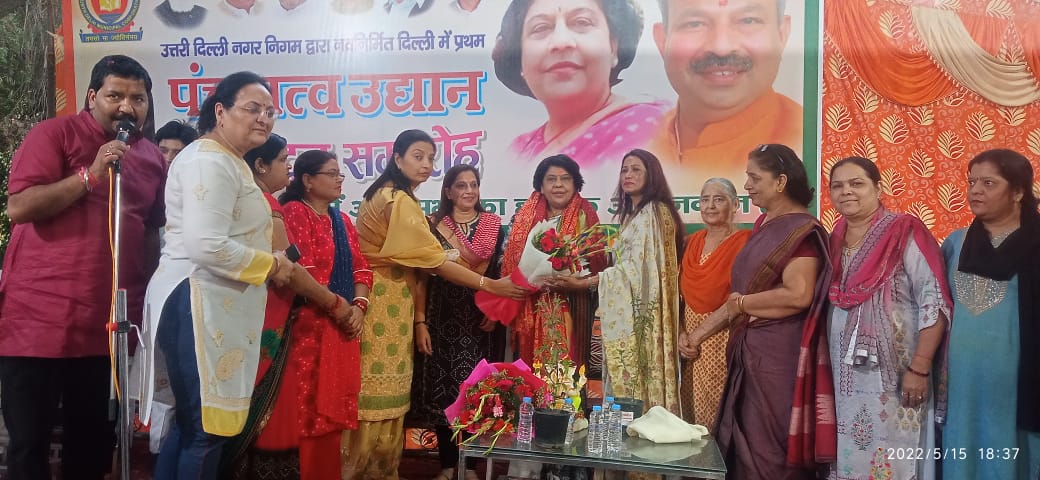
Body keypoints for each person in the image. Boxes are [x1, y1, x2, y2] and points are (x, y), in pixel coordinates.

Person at [0, 54, 166, 480]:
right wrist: (90, 175)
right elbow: (20, 207)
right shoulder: (54, 134)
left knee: (92, 446)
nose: (127, 107)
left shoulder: (151, 157)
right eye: (115, 96)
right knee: (29, 445)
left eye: (138, 99)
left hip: (107, 325)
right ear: (92, 97)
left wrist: (146, 291)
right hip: (38, 321)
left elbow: (151, 230)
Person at [136, 71, 295, 480]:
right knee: (206, 432)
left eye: (270, 111)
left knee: (195, 427)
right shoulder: (209, 160)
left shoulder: (228, 160)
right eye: (252, 108)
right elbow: (206, 245)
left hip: (209, 303)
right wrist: (273, 265)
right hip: (197, 299)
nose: (263, 118)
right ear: (220, 111)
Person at [348, 129, 524, 479]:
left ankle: (384, 468)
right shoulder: (400, 202)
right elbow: (433, 264)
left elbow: (469, 263)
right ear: (397, 158)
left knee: (458, 390)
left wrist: (491, 296)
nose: (426, 164)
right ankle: (370, 468)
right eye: (418, 156)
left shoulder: (403, 199)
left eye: (430, 157)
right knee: (385, 390)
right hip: (403, 304)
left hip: (456, 315)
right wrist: (425, 319)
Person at [679, 144, 835, 479]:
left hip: (778, 357)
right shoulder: (765, 223)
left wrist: (742, 305)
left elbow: (799, 294)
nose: (747, 185)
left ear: (780, 182)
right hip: (750, 354)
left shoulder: (800, 230)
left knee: (772, 448)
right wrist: (697, 334)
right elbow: (741, 294)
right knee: (744, 444)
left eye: (754, 178)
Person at [827, 156, 951, 480]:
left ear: (878, 188)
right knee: (849, 453)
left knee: (897, 458)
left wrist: (920, 367)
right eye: (837, 186)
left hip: (899, 374)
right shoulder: (834, 238)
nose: (846, 191)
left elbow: (933, 300)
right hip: (844, 376)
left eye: (857, 183)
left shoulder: (904, 230)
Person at [941, 149, 1040, 480]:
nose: (975, 191)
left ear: (1018, 191)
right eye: (972, 182)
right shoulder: (956, 243)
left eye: (988, 183)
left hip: (1019, 380)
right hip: (962, 381)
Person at [648, 0, 802, 203]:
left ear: (782, 34)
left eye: (748, 21)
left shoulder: (804, 136)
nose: (722, 48)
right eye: (695, 24)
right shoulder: (640, 142)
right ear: (662, 40)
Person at [409, 164, 505, 480]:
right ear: (448, 191)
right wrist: (420, 322)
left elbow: (498, 274)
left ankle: (472, 466)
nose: (468, 191)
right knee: (444, 395)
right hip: (440, 319)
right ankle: (449, 465)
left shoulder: (493, 226)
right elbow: (421, 278)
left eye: (473, 184)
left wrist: (495, 311)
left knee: (477, 391)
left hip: (480, 323)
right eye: (461, 185)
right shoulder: (433, 226)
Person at [492, 0, 669, 166]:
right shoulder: (519, 150)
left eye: (582, 22)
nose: (561, 42)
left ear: (613, 48)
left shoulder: (653, 126)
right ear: (520, 61)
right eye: (541, 28)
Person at [586, 149, 684, 415]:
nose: (628, 175)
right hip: (633, 311)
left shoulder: (655, 212)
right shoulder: (635, 215)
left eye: (636, 169)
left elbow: (638, 272)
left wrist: (589, 282)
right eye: (624, 170)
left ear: (651, 175)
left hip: (647, 317)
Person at [503, 154, 607, 370]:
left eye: (565, 178)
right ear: (541, 186)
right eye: (551, 179)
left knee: (570, 368)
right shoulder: (522, 217)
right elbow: (506, 259)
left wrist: (575, 280)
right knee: (529, 369)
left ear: (575, 184)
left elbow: (598, 264)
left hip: (574, 303)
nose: (558, 185)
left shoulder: (586, 217)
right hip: (529, 305)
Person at [678, 178, 750, 427]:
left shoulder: (745, 243)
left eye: (718, 199)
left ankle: (718, 454)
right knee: (688, 415)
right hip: (687, 347)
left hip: (723, 339)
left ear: (735, 204)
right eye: (704, 199)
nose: (710, 206)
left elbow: (739, 298)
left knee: (717, 415)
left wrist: (698, 335)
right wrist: (681, 334)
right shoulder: (691, 242)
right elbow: (676, 296)